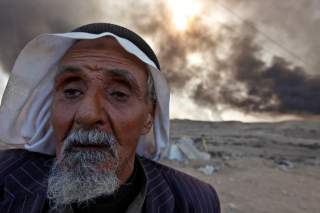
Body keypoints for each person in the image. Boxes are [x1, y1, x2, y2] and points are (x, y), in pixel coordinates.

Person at [0, 23, 220, 213]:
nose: (87, 115)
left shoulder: (195, 202)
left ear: (149, 117)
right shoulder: (5, 179)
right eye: (71, 91)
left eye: (119, 94)